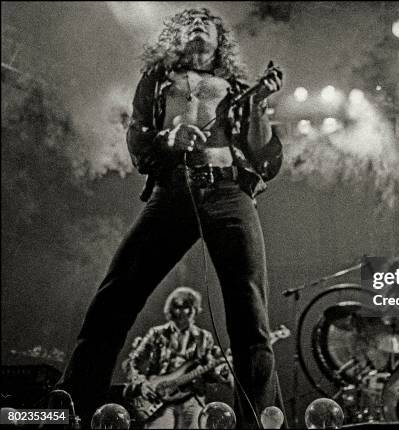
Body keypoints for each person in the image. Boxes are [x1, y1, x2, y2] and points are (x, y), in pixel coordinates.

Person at [55, 7, 284, 428]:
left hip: (229, 192)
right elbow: (138, 140)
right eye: (189, 23)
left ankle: (261, 422)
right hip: (174, 192)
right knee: (114, 299)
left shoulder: (237, 88)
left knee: (250, 314)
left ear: (220, 40)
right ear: (175, 39)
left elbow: (266, 159)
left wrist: (260, 107)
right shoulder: (157, 81)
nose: (198, 26)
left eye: (207, 23)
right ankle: (67, 409)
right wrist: (169, 137)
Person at [122, 287, 232, 429]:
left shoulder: (204, 337)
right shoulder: (157, 333)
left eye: (186, 307)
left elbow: (210, 371)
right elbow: (131, 362)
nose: (181, 312)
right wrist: (142, 384)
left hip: (192, 398)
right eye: (177, 307)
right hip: (158, 399)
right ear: (170, 309)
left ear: (194, 310)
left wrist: (220, 372)